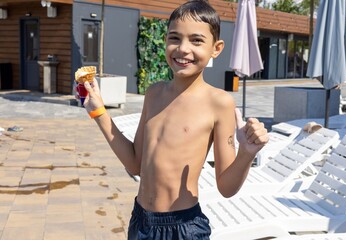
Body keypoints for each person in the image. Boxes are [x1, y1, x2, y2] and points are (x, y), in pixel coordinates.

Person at [78, 0, 269, 239]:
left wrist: (246, 154)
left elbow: (226, 188)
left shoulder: (219, 103)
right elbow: (135, 164)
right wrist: (99, 113)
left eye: (197, 40)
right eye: (175, 38)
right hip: (141, 222)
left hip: (183, 227)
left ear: (216, 48)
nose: (183, 48)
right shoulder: (154, 93)